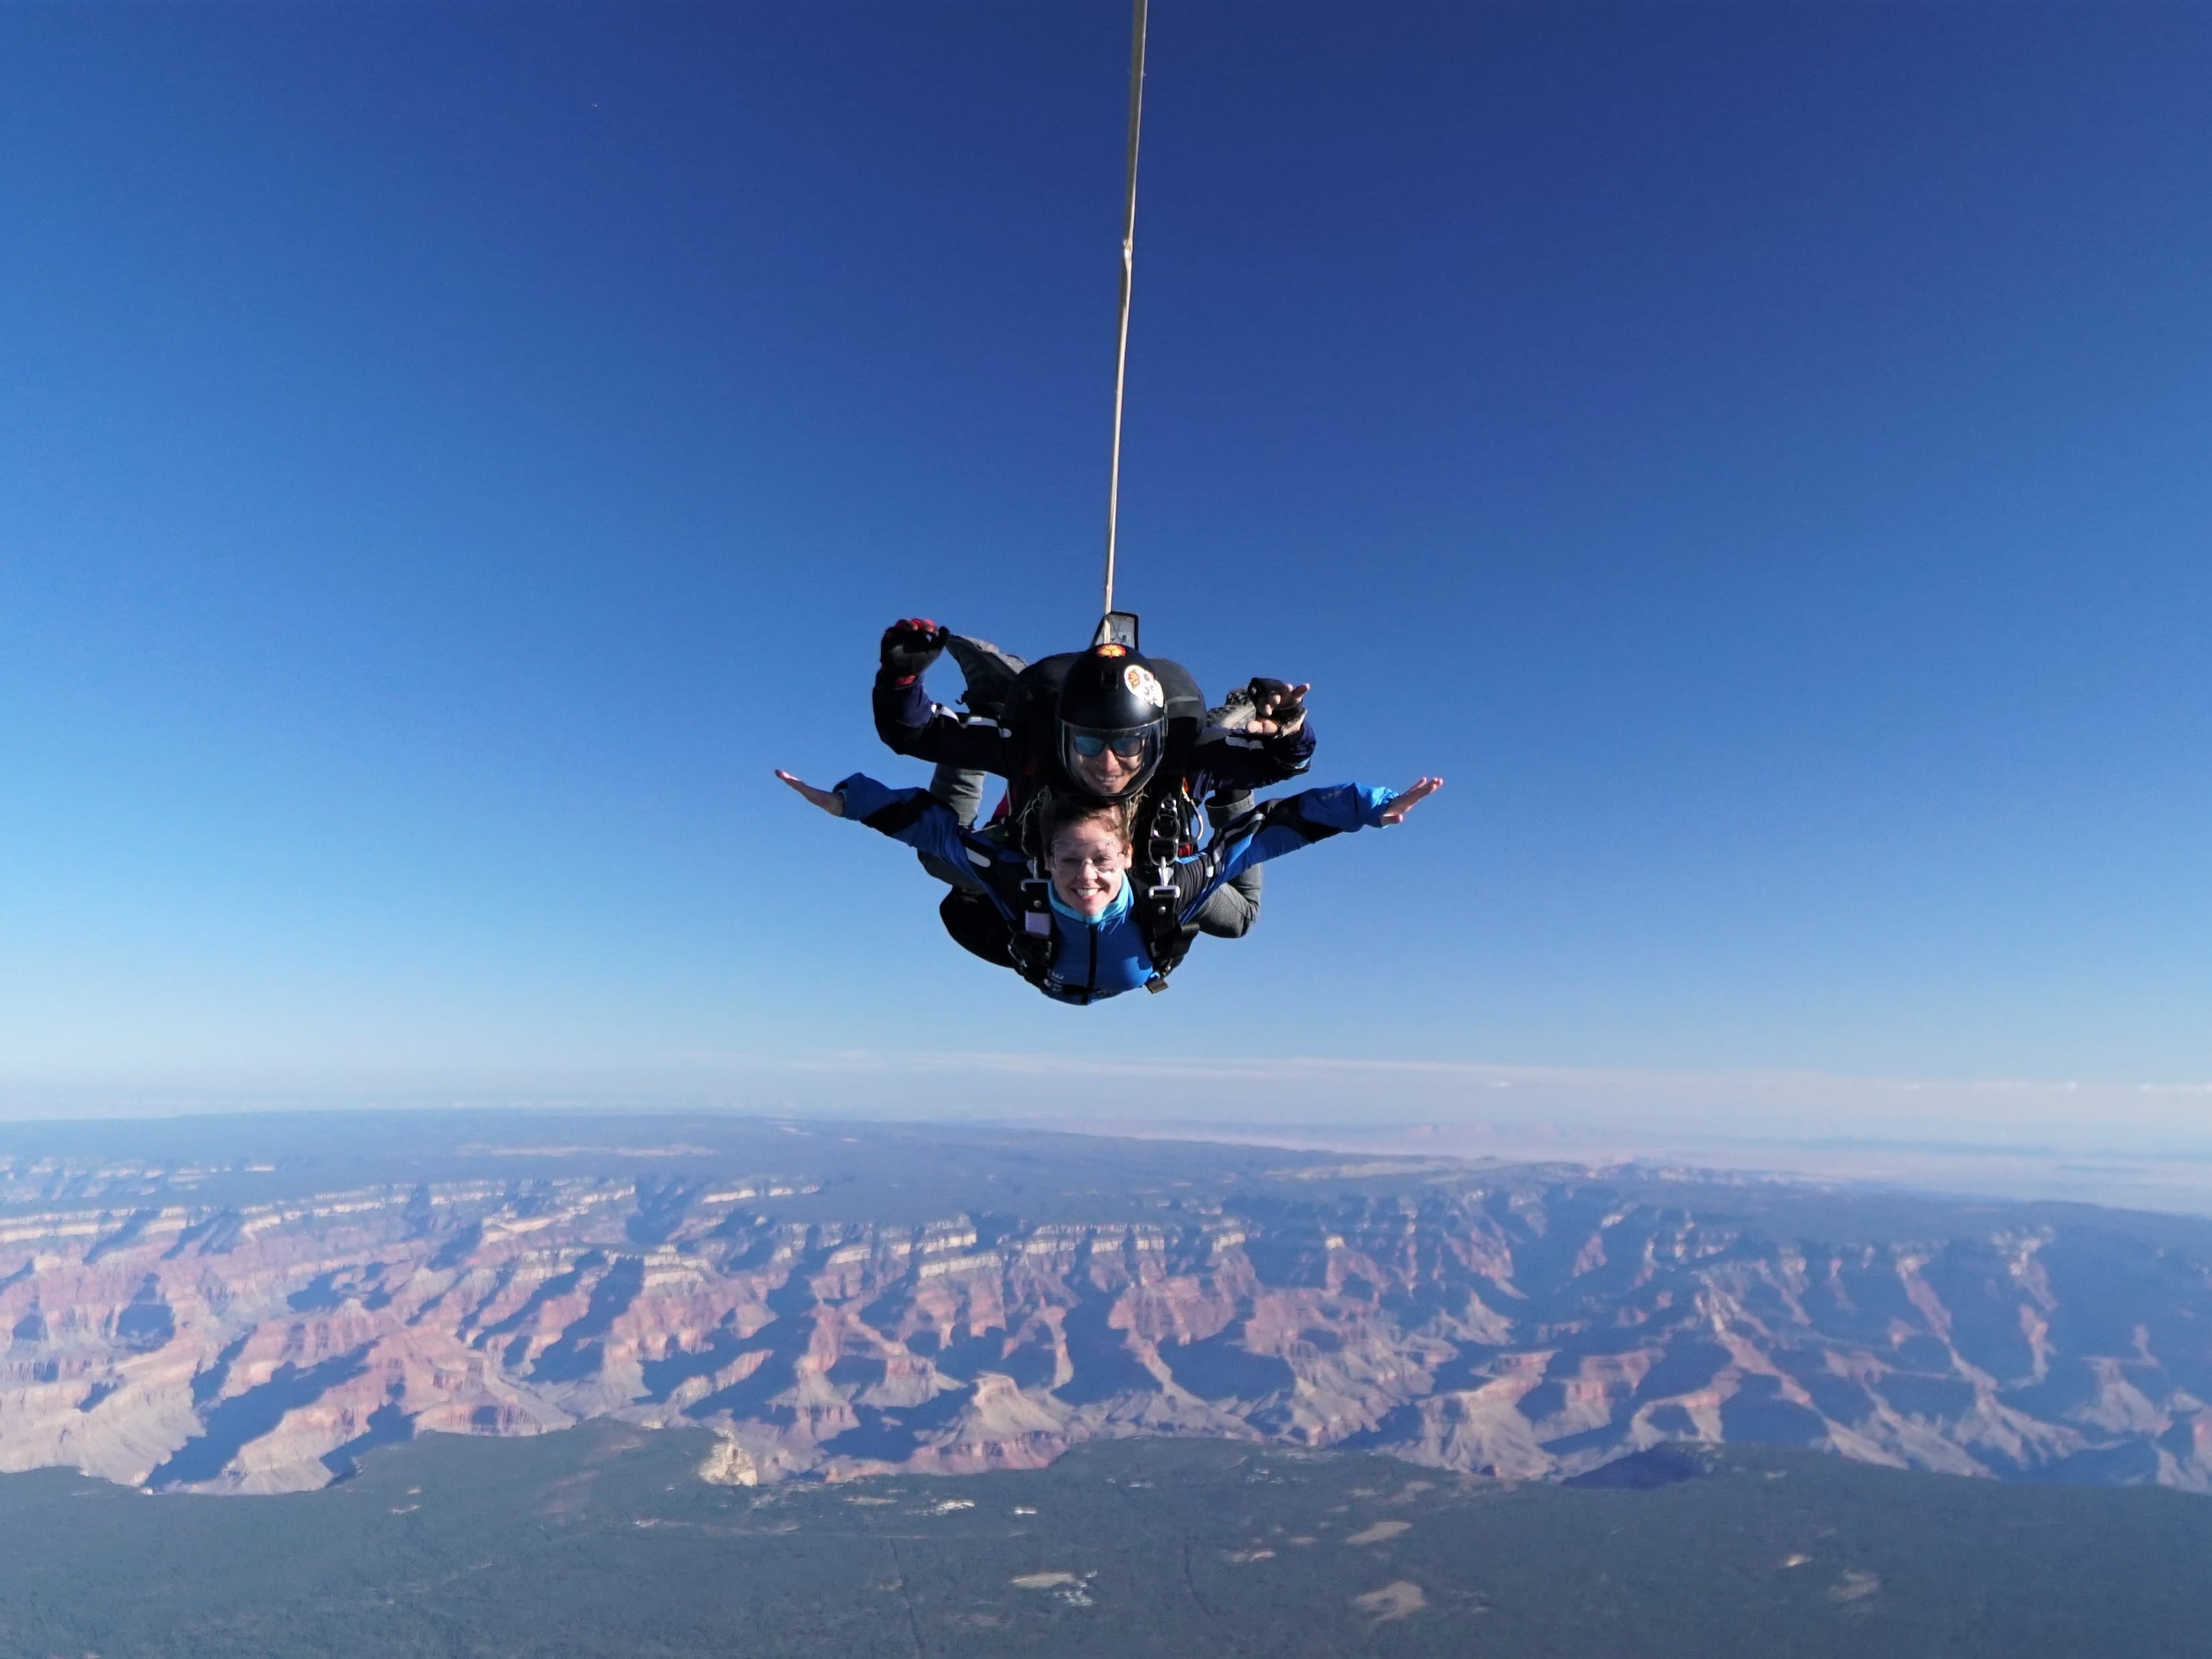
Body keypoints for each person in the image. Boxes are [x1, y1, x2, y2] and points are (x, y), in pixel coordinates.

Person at [773, 766, 1443, 1004]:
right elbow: (926, 828)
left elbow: (1269, 830)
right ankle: (977, 741)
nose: (1083, 878)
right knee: (949, 871)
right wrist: (844, 800)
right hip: (1039, 950)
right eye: (1068, 862)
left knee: (1238, 909)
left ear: (1125, 855)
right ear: (1047, 856)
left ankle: (1225, 779)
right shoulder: (1021, 879)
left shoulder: (1167, 887)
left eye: (1098, 862)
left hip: (1066, 952)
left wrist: (1372, 806)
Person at [874, 622, 1314, 941]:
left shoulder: (1185, 759)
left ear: (1154, 740)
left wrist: (1289, 726)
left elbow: (1288, 761)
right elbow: (916, 732)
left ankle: (1231, 763)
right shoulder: (1036, 748)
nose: (1107, 764)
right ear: (1065, 733)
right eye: (1088, 743)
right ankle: (990, 708)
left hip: (1153, 854)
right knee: (938, 856)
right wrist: (901, 679)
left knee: (1240, 917)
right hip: (1043, 857)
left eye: (1127, 746)